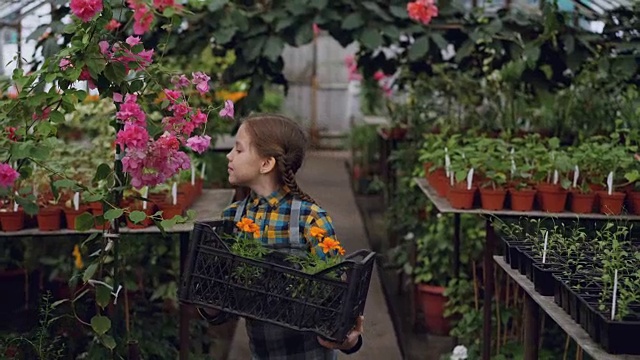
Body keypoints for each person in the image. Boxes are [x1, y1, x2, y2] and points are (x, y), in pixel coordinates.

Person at [197, 114, 364, 359]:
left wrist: (349, 339)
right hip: (263, 352)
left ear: (266, 164)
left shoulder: (310, 218)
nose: (229, 155)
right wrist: (210, 302)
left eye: (239, 149)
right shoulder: (233, 217)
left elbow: (336, 302)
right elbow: (225, 307)